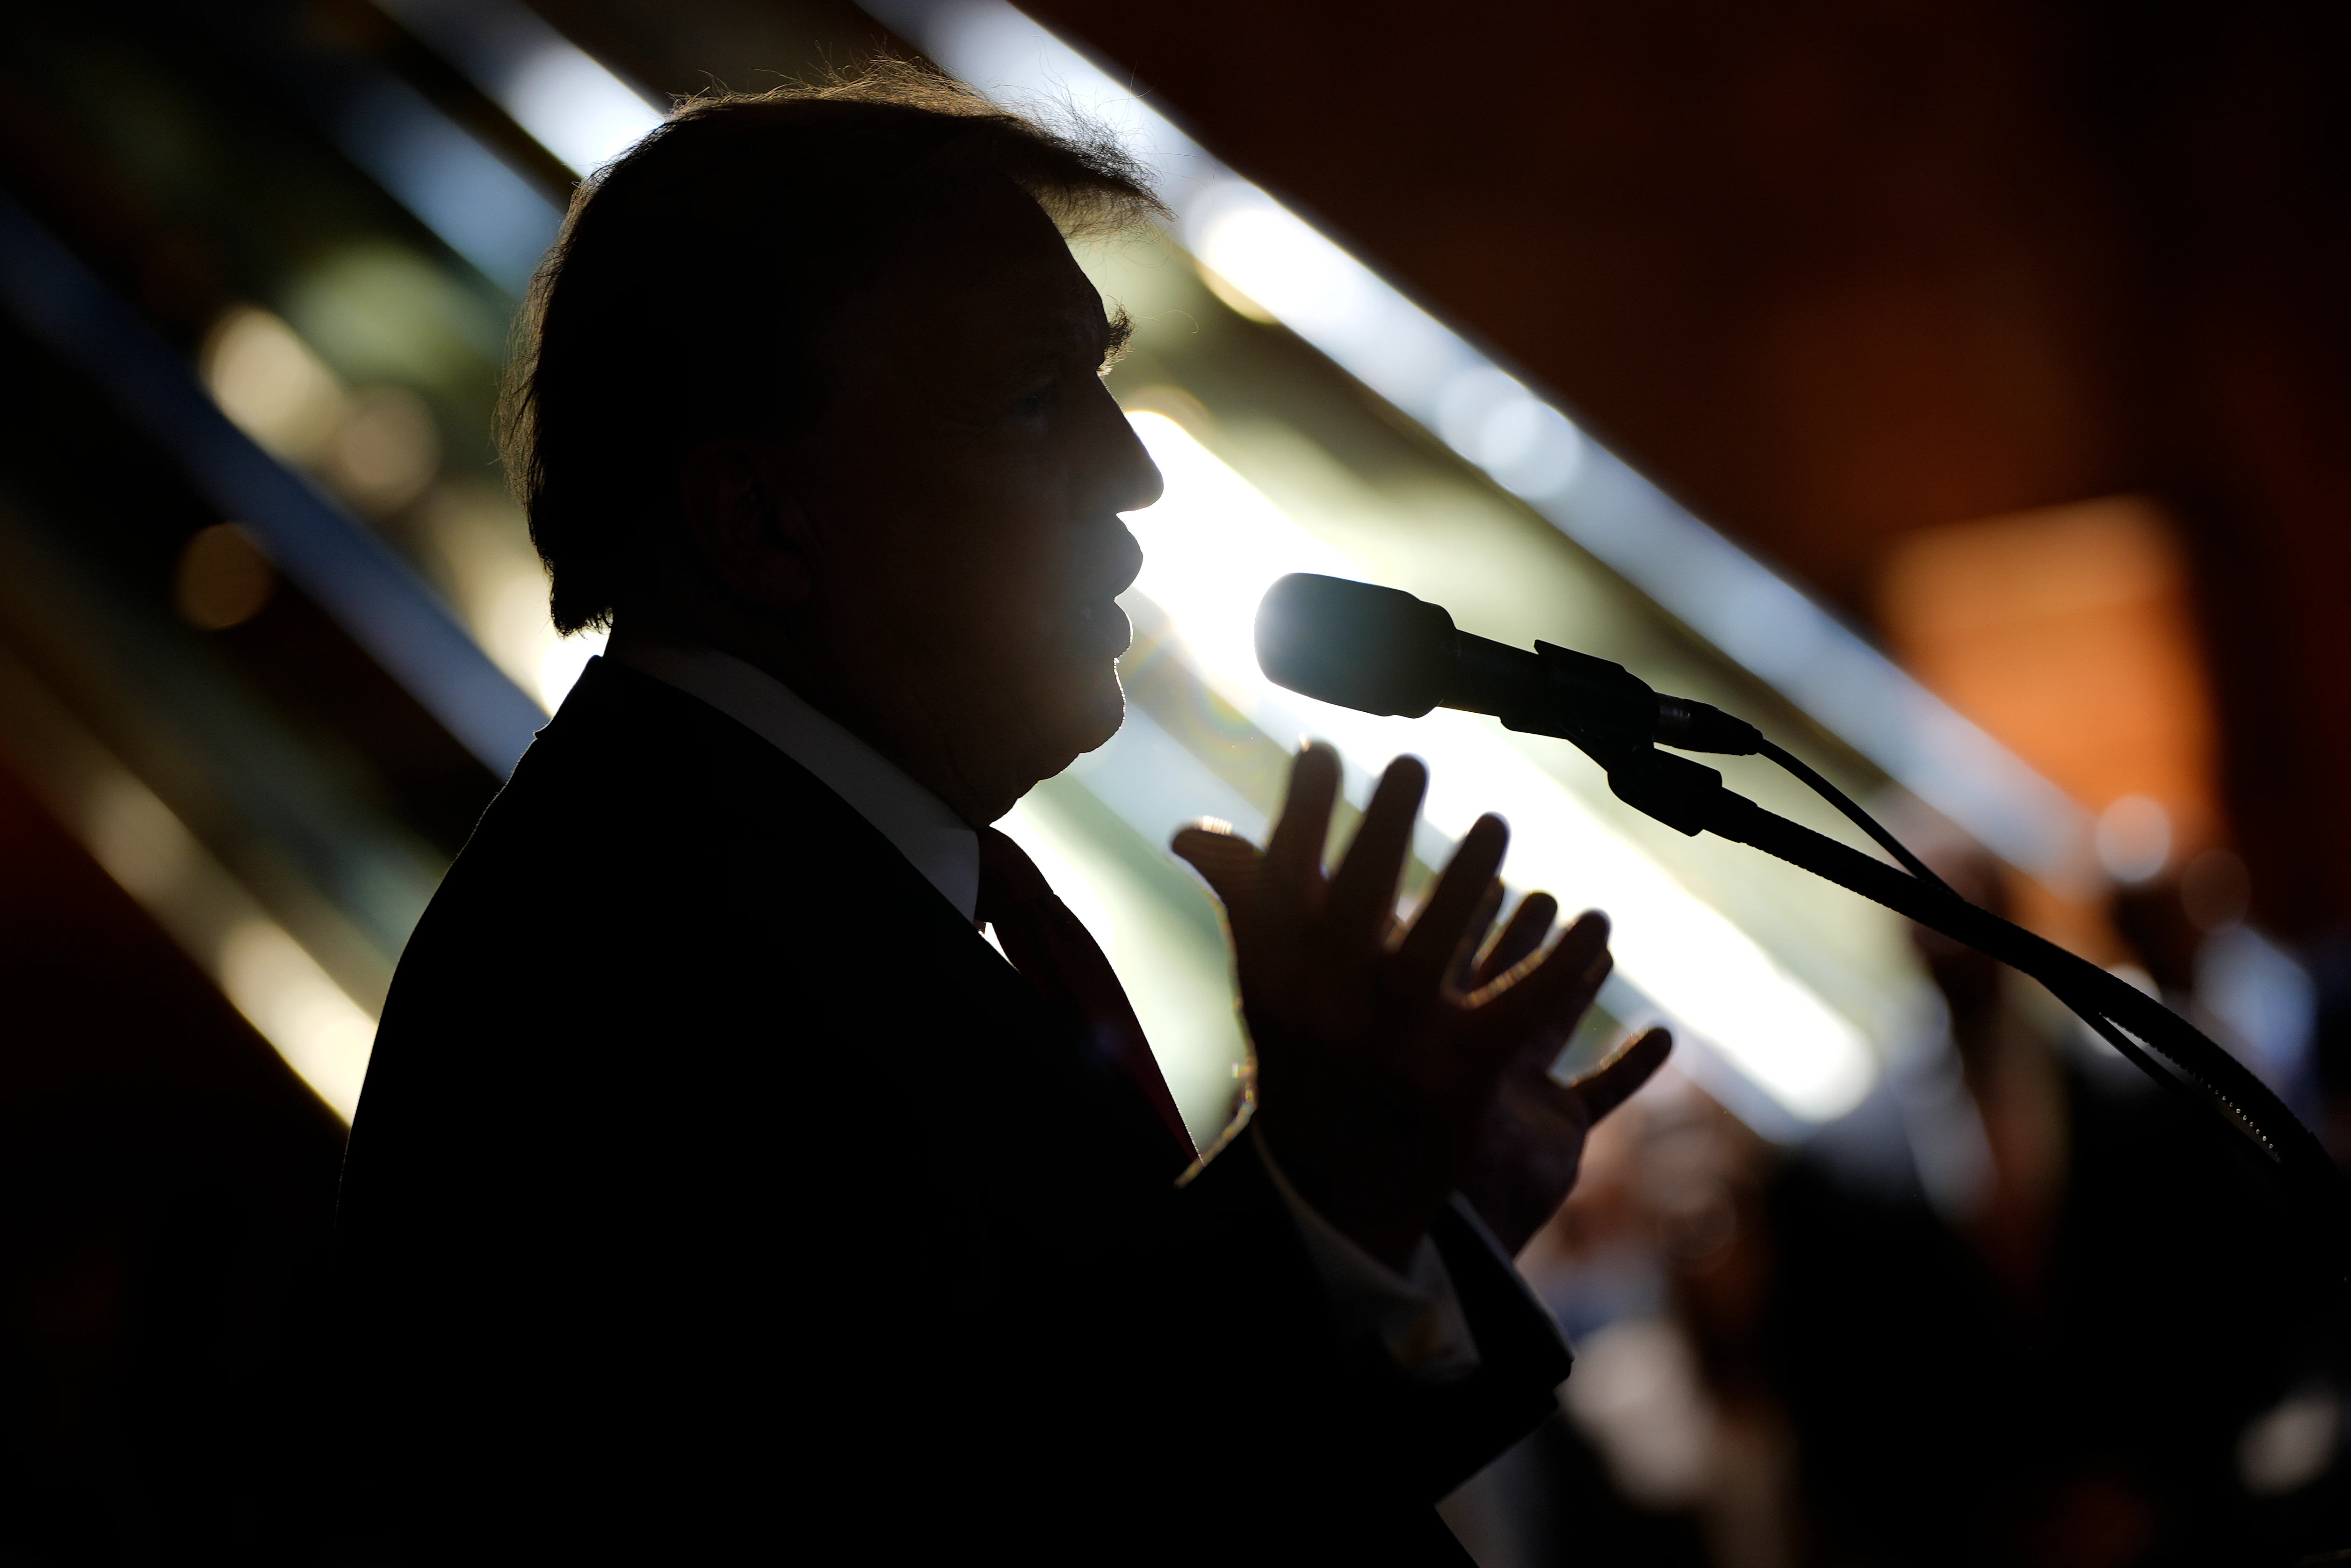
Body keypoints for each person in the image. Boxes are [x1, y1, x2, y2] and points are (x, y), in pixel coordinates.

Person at [327, 65, 1670, 1563]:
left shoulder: (772, 872)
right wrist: (1321, 1212)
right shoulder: (627, 966)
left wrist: (1386, 1215)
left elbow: (1056, 1393)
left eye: (1104, 376)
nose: (1136, 468)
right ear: (764, 520)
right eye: (1034, 399)